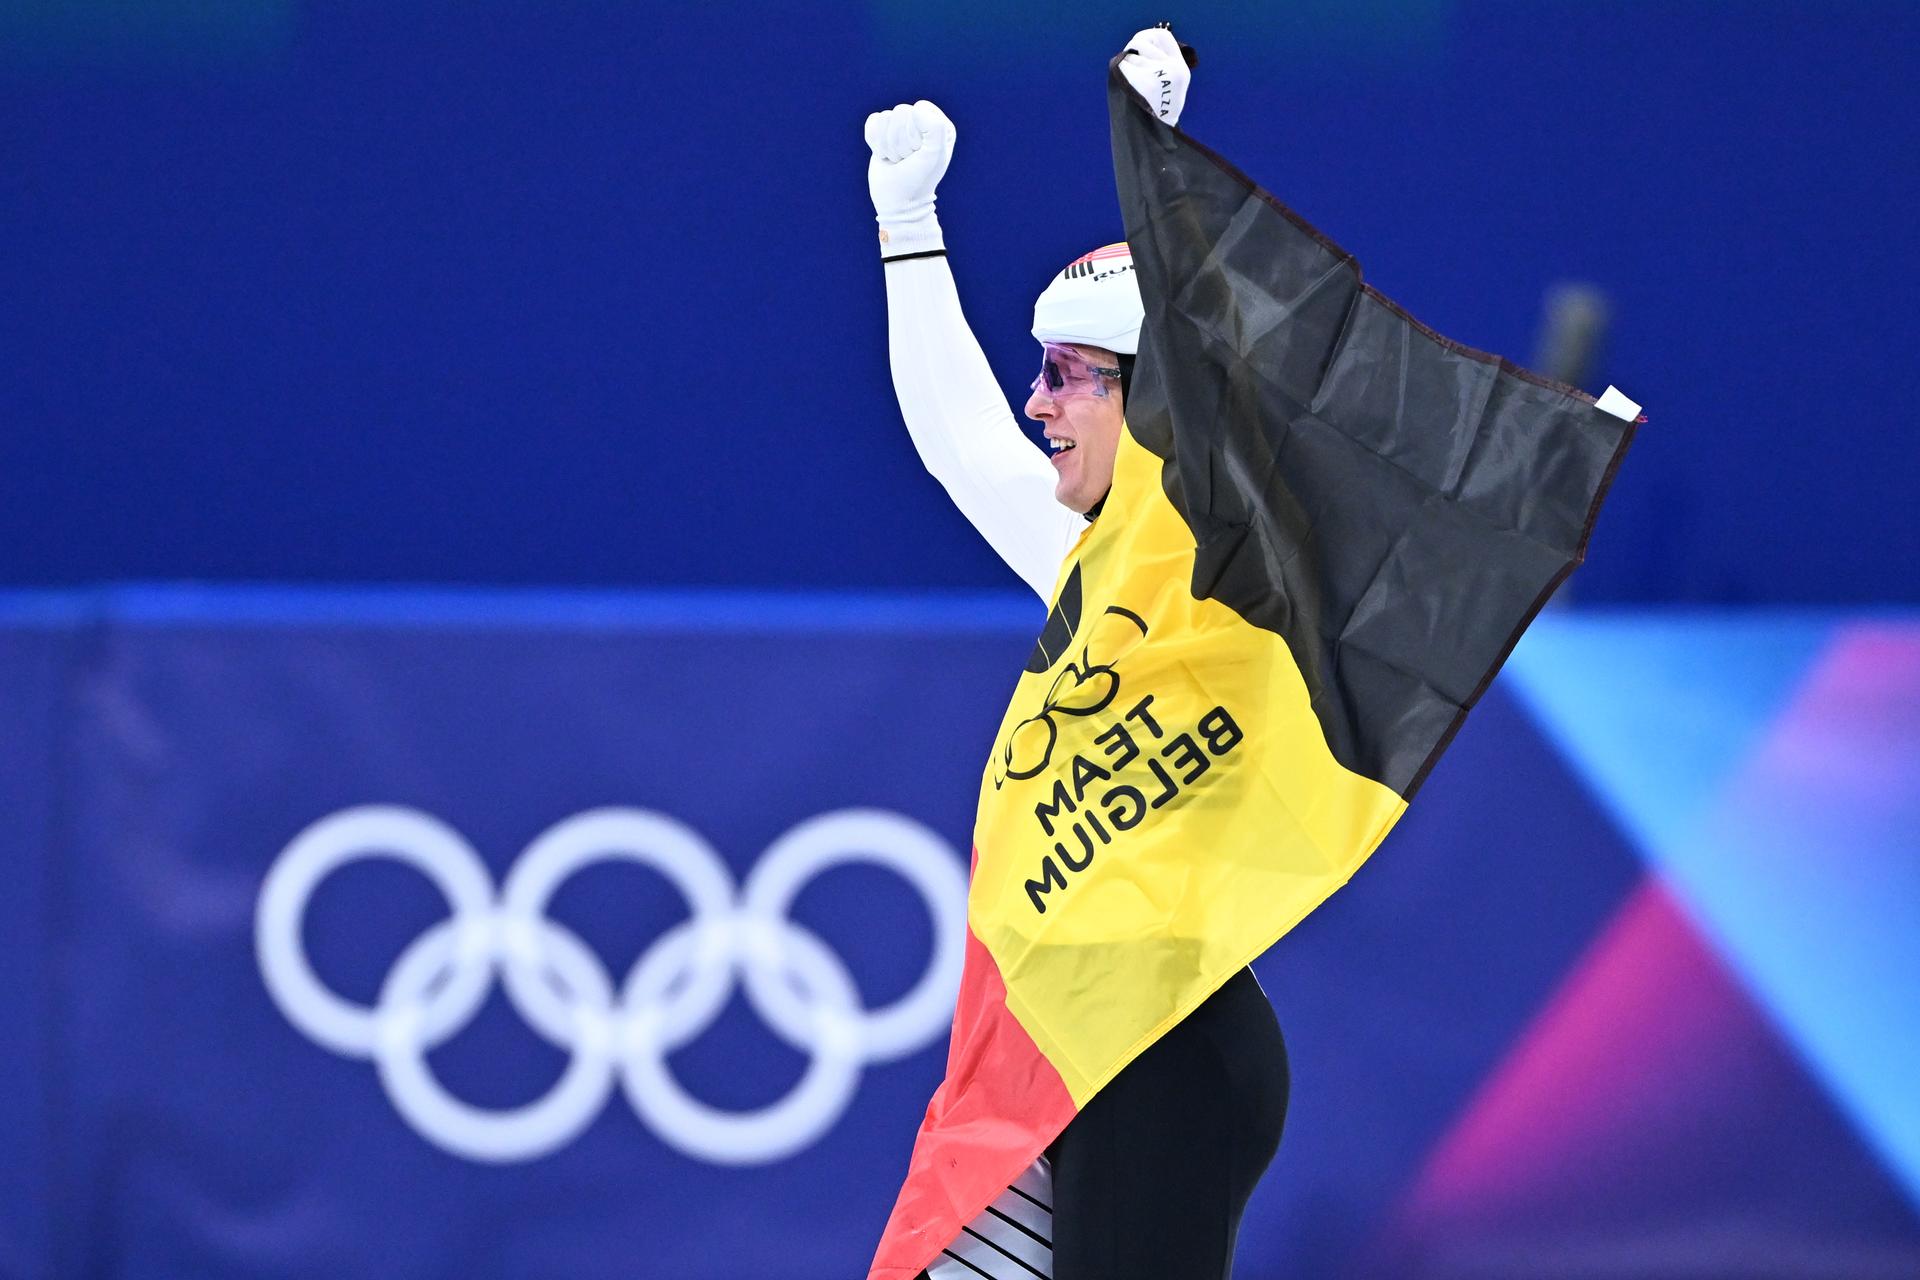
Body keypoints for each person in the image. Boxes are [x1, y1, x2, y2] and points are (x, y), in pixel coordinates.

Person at [866, 28, 1289, 1280]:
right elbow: (963, 446)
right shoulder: (1089, 563)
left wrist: (1156, 162)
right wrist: (906, 224)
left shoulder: (1231, 566)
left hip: (1163, 1053)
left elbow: (1216, 379)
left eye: (1067, 375)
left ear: (1151, 400)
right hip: (1065, 1043)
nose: (1037, 400)